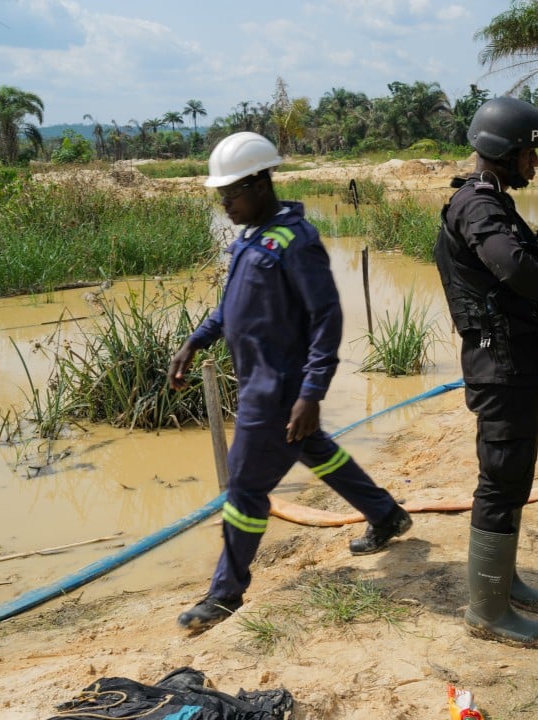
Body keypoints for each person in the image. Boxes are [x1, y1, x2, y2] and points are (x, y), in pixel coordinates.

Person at [168, 131, 413, 630]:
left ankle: (225, 593)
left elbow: (327, 317)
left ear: (260, 183)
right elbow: (231, 308)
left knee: (244, 488)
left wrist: (311, 393)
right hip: (260, 381)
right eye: (220, 197)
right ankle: (386, 514)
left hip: (277, 390)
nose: (225, 205)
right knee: (315, 450)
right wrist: (195, 342)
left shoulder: (295, 241)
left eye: (230, 195)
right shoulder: (252, 237)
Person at [433, 97, 538, 648]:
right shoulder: (478, 207)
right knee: (502, 477)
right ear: (504, 152)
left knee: (516, 475)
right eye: (531, 151)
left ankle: (501, 579)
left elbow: (520, 262)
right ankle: (487, 609)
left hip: (514, 360)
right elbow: (508, 263)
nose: (537, 162)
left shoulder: (494, 201)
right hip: (498, 363)